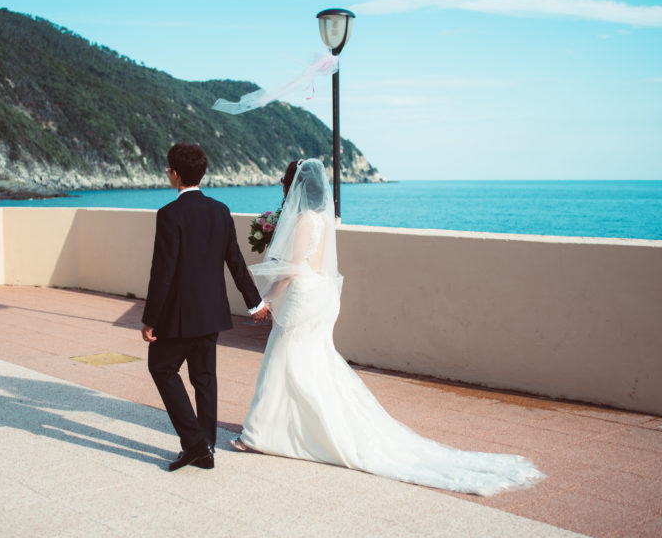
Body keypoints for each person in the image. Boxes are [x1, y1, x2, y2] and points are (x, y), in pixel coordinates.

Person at [230, 159, 543, 495]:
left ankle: (259, 434)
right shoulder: (322, 217)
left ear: (294, 187)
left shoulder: (304, 218)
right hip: (323, 295)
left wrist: (264, 300)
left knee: (282, 359)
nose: (280, 186)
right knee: (312, 363)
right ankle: (288, 429)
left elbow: (291, 269)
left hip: (305, 296)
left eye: (284, 181)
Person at [142, 143, 270, 471]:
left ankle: (197, 443)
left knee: (161, 367)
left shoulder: (169, 215)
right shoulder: (220, 211)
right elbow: (236, 262)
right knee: (204, 378)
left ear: (175, 174)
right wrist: (254, 302)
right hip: (212, 312)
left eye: (168, 169)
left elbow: (163, 271)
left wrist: (150, 319)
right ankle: (207, 446)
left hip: (179, 317)